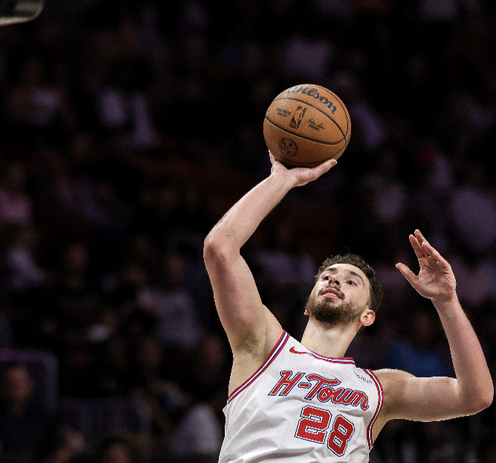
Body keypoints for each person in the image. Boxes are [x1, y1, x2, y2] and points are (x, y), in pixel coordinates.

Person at [202, 153, 494, 462]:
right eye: (327, 276)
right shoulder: (265, 345)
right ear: (307, 305)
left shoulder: (380, 388)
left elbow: (475, 395)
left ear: (368, 316)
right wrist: (281, 181)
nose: (335, 280)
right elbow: (220, 248)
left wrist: (447, 302)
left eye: (351, 281)